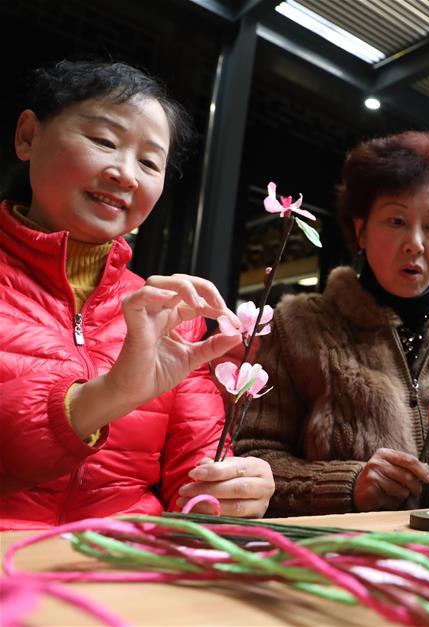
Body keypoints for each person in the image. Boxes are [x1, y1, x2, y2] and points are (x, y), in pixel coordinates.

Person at [0, 60, 274, 528]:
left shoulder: (167, 313)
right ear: (28, 136)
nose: (126, 174)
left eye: (149, 162)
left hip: (123, 567)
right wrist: (111, 394)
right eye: (104, 141)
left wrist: (228, 487)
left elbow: (194, 473)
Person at [235, 131, 429, 515]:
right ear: (361, 231)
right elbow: (253, 458)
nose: (416, 243)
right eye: (396, 220)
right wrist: (349, 486)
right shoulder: (300, 325)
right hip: (349, 561)